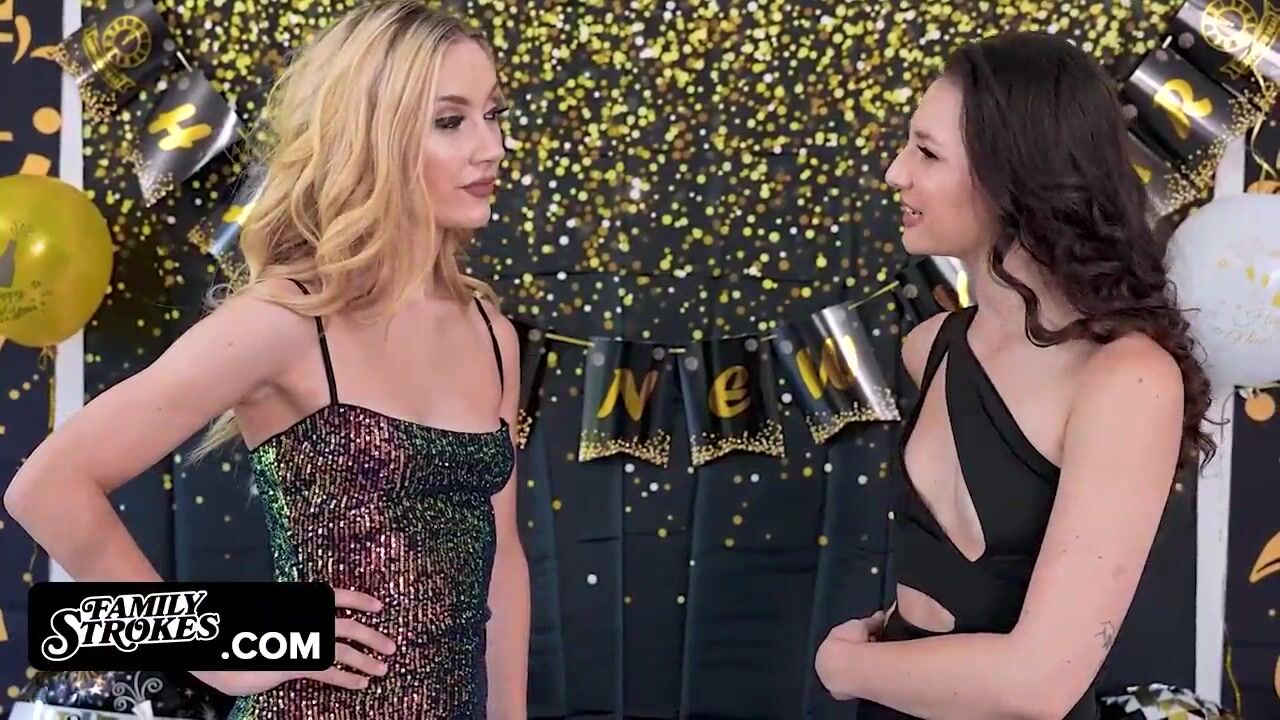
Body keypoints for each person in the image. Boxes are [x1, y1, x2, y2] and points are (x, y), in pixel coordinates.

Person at [4, 2, 530, 718]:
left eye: (493, 114)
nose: (491, 146)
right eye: (450, 121)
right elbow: (46, 486)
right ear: (371, 136)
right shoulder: (284, 322)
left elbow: (504, 558)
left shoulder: (490, 332)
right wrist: (219, 644)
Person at [814, 32, 1214, 719]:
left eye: (927, 152)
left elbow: (1039, 684)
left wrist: (844, 666)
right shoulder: (929, 347)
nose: (894, 173)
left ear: (1013, 176)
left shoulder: (1126, 380)